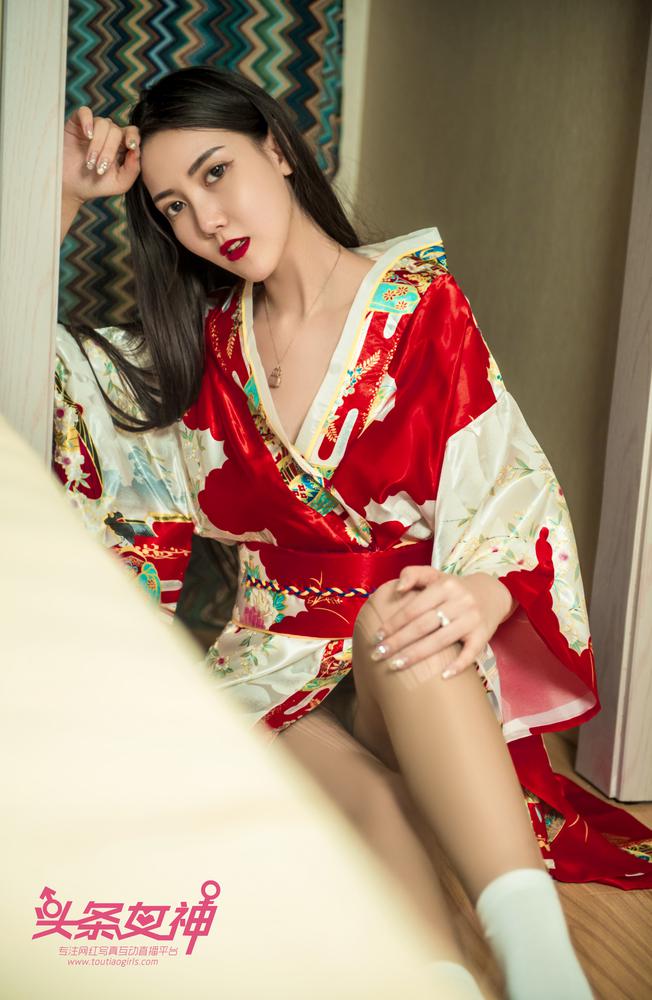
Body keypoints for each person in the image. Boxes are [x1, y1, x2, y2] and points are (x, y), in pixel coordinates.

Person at [54, 65, 650, 998]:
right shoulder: (195, 354)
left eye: (216, 173)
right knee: (351, 796)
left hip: (416, 666)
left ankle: (544, 966)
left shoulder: (417, 306)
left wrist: (484, 591)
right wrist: (62, 195)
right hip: (273, 664)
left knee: (400, 620)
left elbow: (510, 483)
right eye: (173, 206)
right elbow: (35, 368)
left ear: (278, 150)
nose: (206, 219)